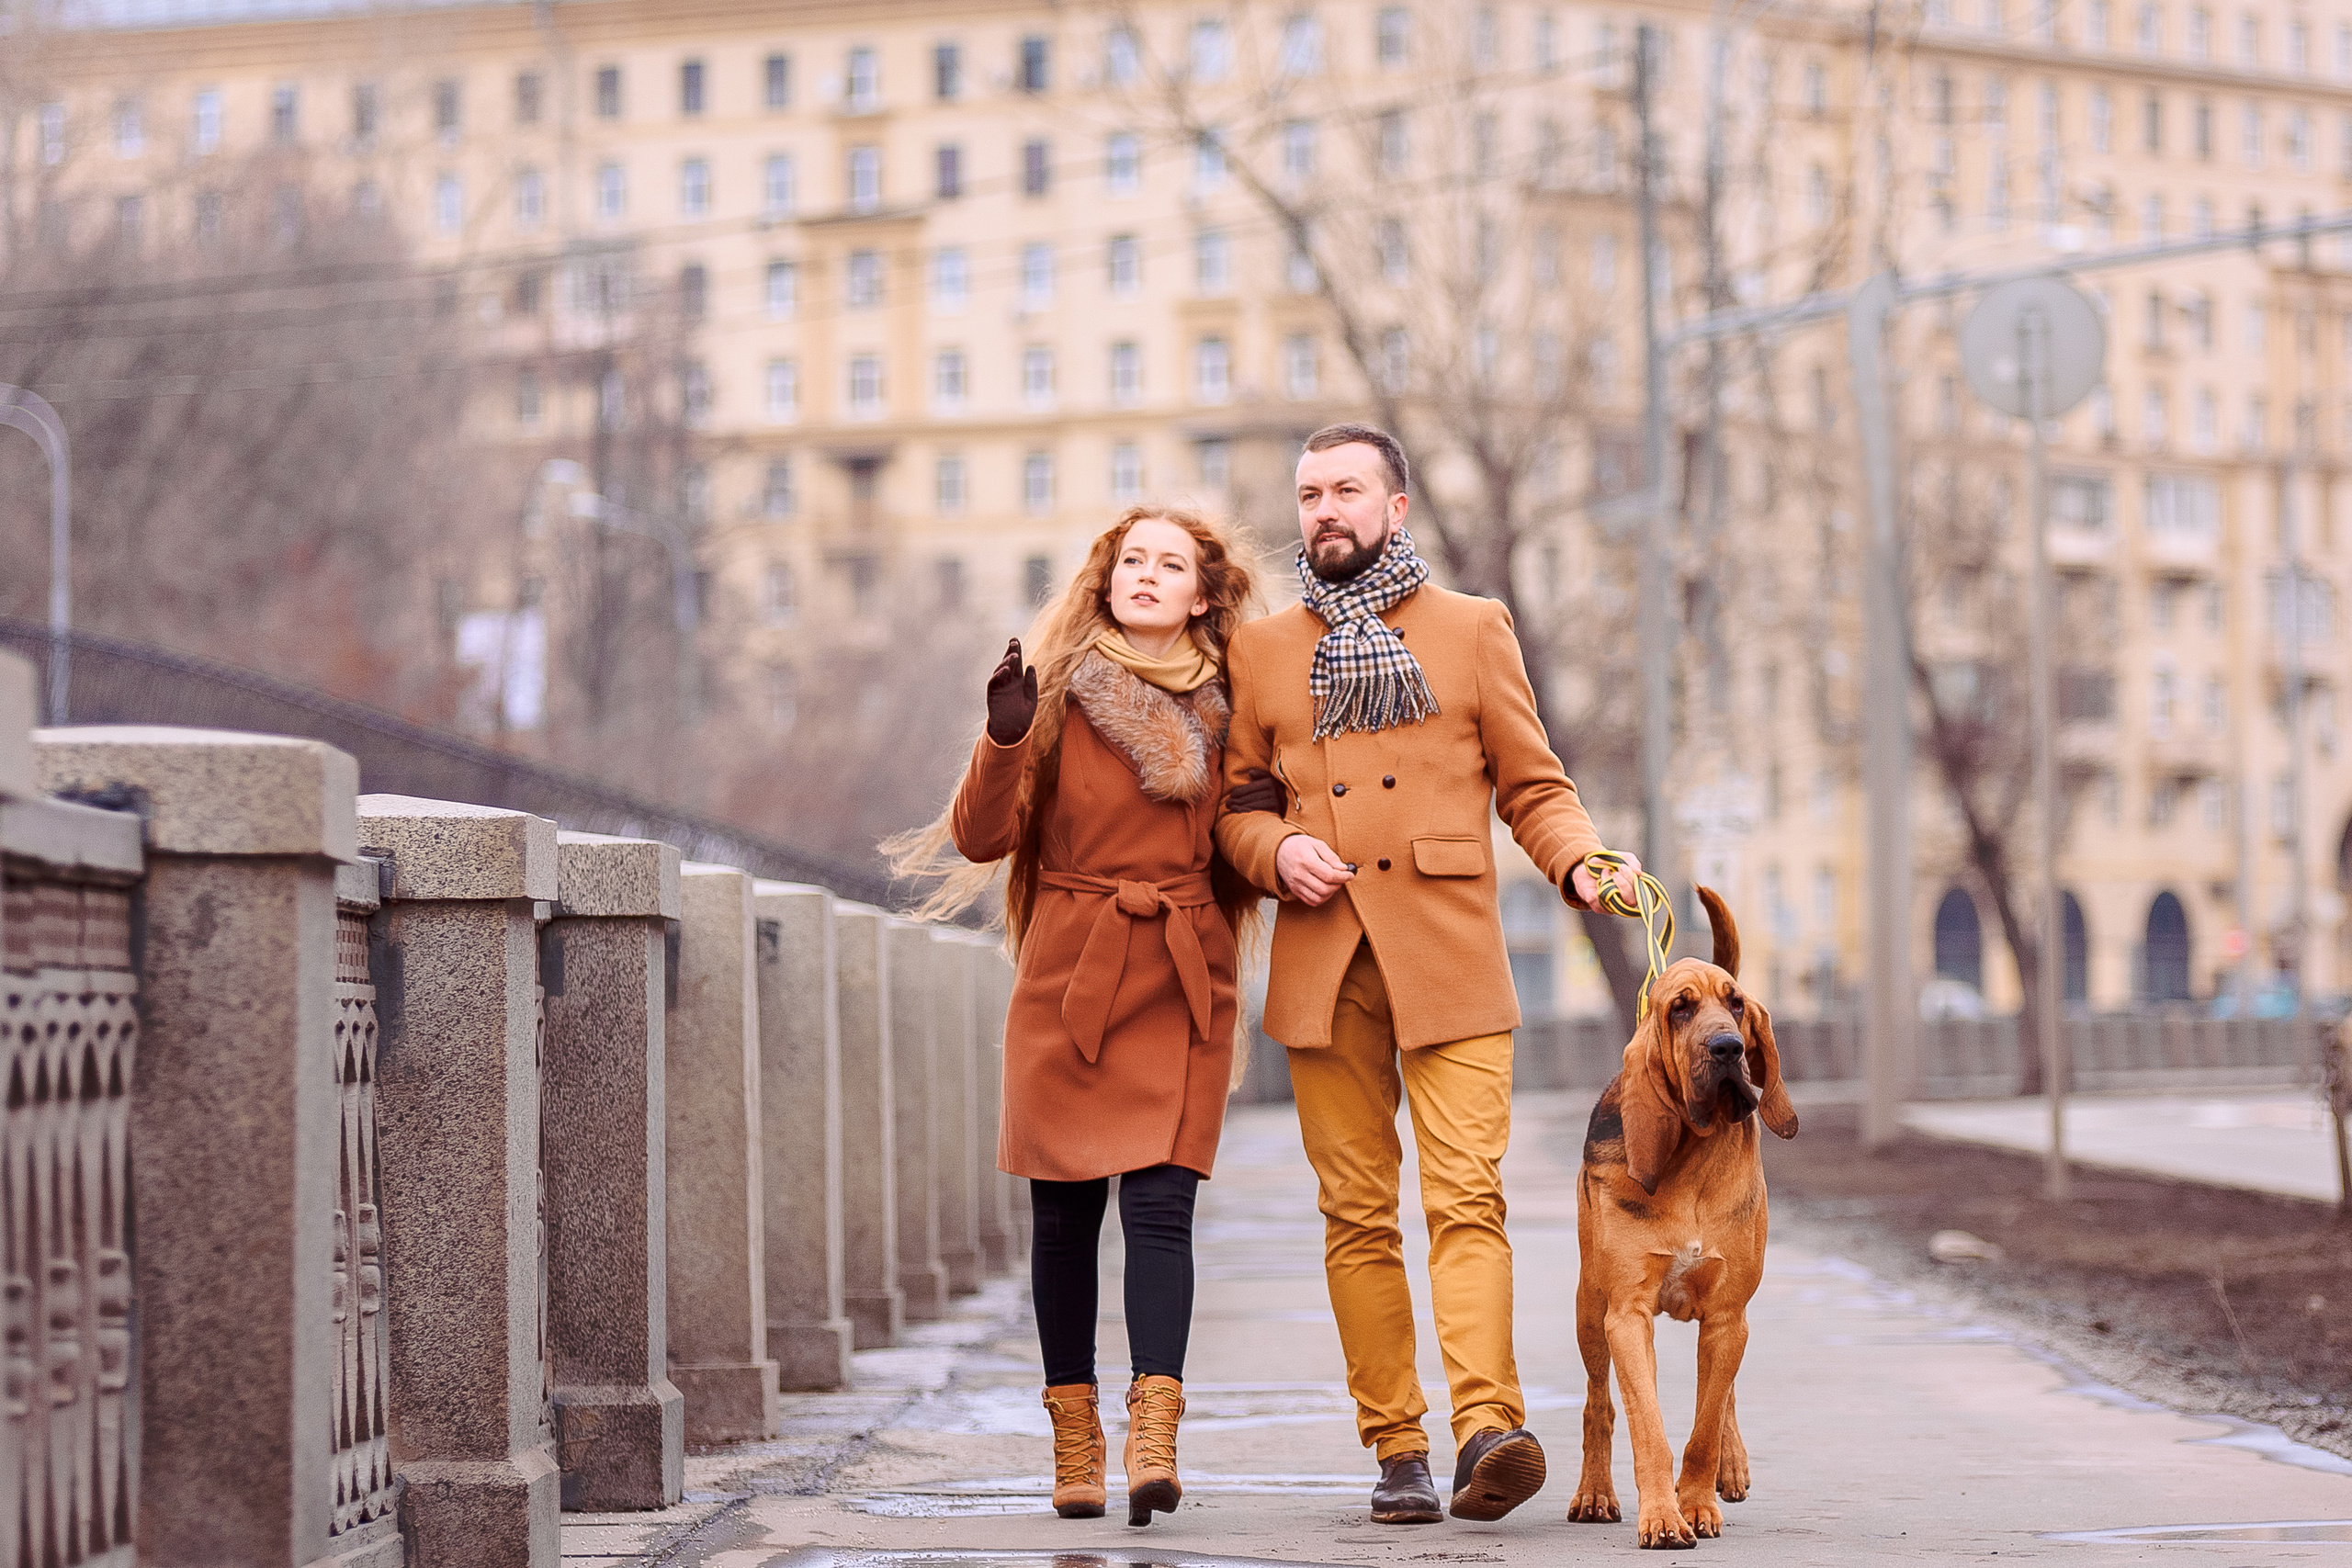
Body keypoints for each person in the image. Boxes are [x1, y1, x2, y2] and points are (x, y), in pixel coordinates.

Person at [1216, 423, 1644, 1527]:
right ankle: (1397, 1447)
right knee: (1357, 1216)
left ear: (1395, 507)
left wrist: (1580, 861)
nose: (1325, 510)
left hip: (1447, 954)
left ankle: (1487, 1430)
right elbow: (1236, 806)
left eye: (1346, 490)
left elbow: (1533, 785)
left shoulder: (1472, 627)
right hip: (1326, 962)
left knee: (1466, 1199)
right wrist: (1274, 850)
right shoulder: (1260, 651)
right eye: (1309, 493)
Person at [886, 505, 1262, 1528]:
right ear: (1105, 580)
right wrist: (1005, 734)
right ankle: (1074, 1437)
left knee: (1161, 1210)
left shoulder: (1238, 706)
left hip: (1183, 973)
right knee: (1063, 1220)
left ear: (1202, 595)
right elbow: (980, 838)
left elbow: (1245, 836)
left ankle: (1154, 1434)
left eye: (1169, 564)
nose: (1146, 574)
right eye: (1131, 559)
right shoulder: (1054, 691)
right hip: (1069, 974)